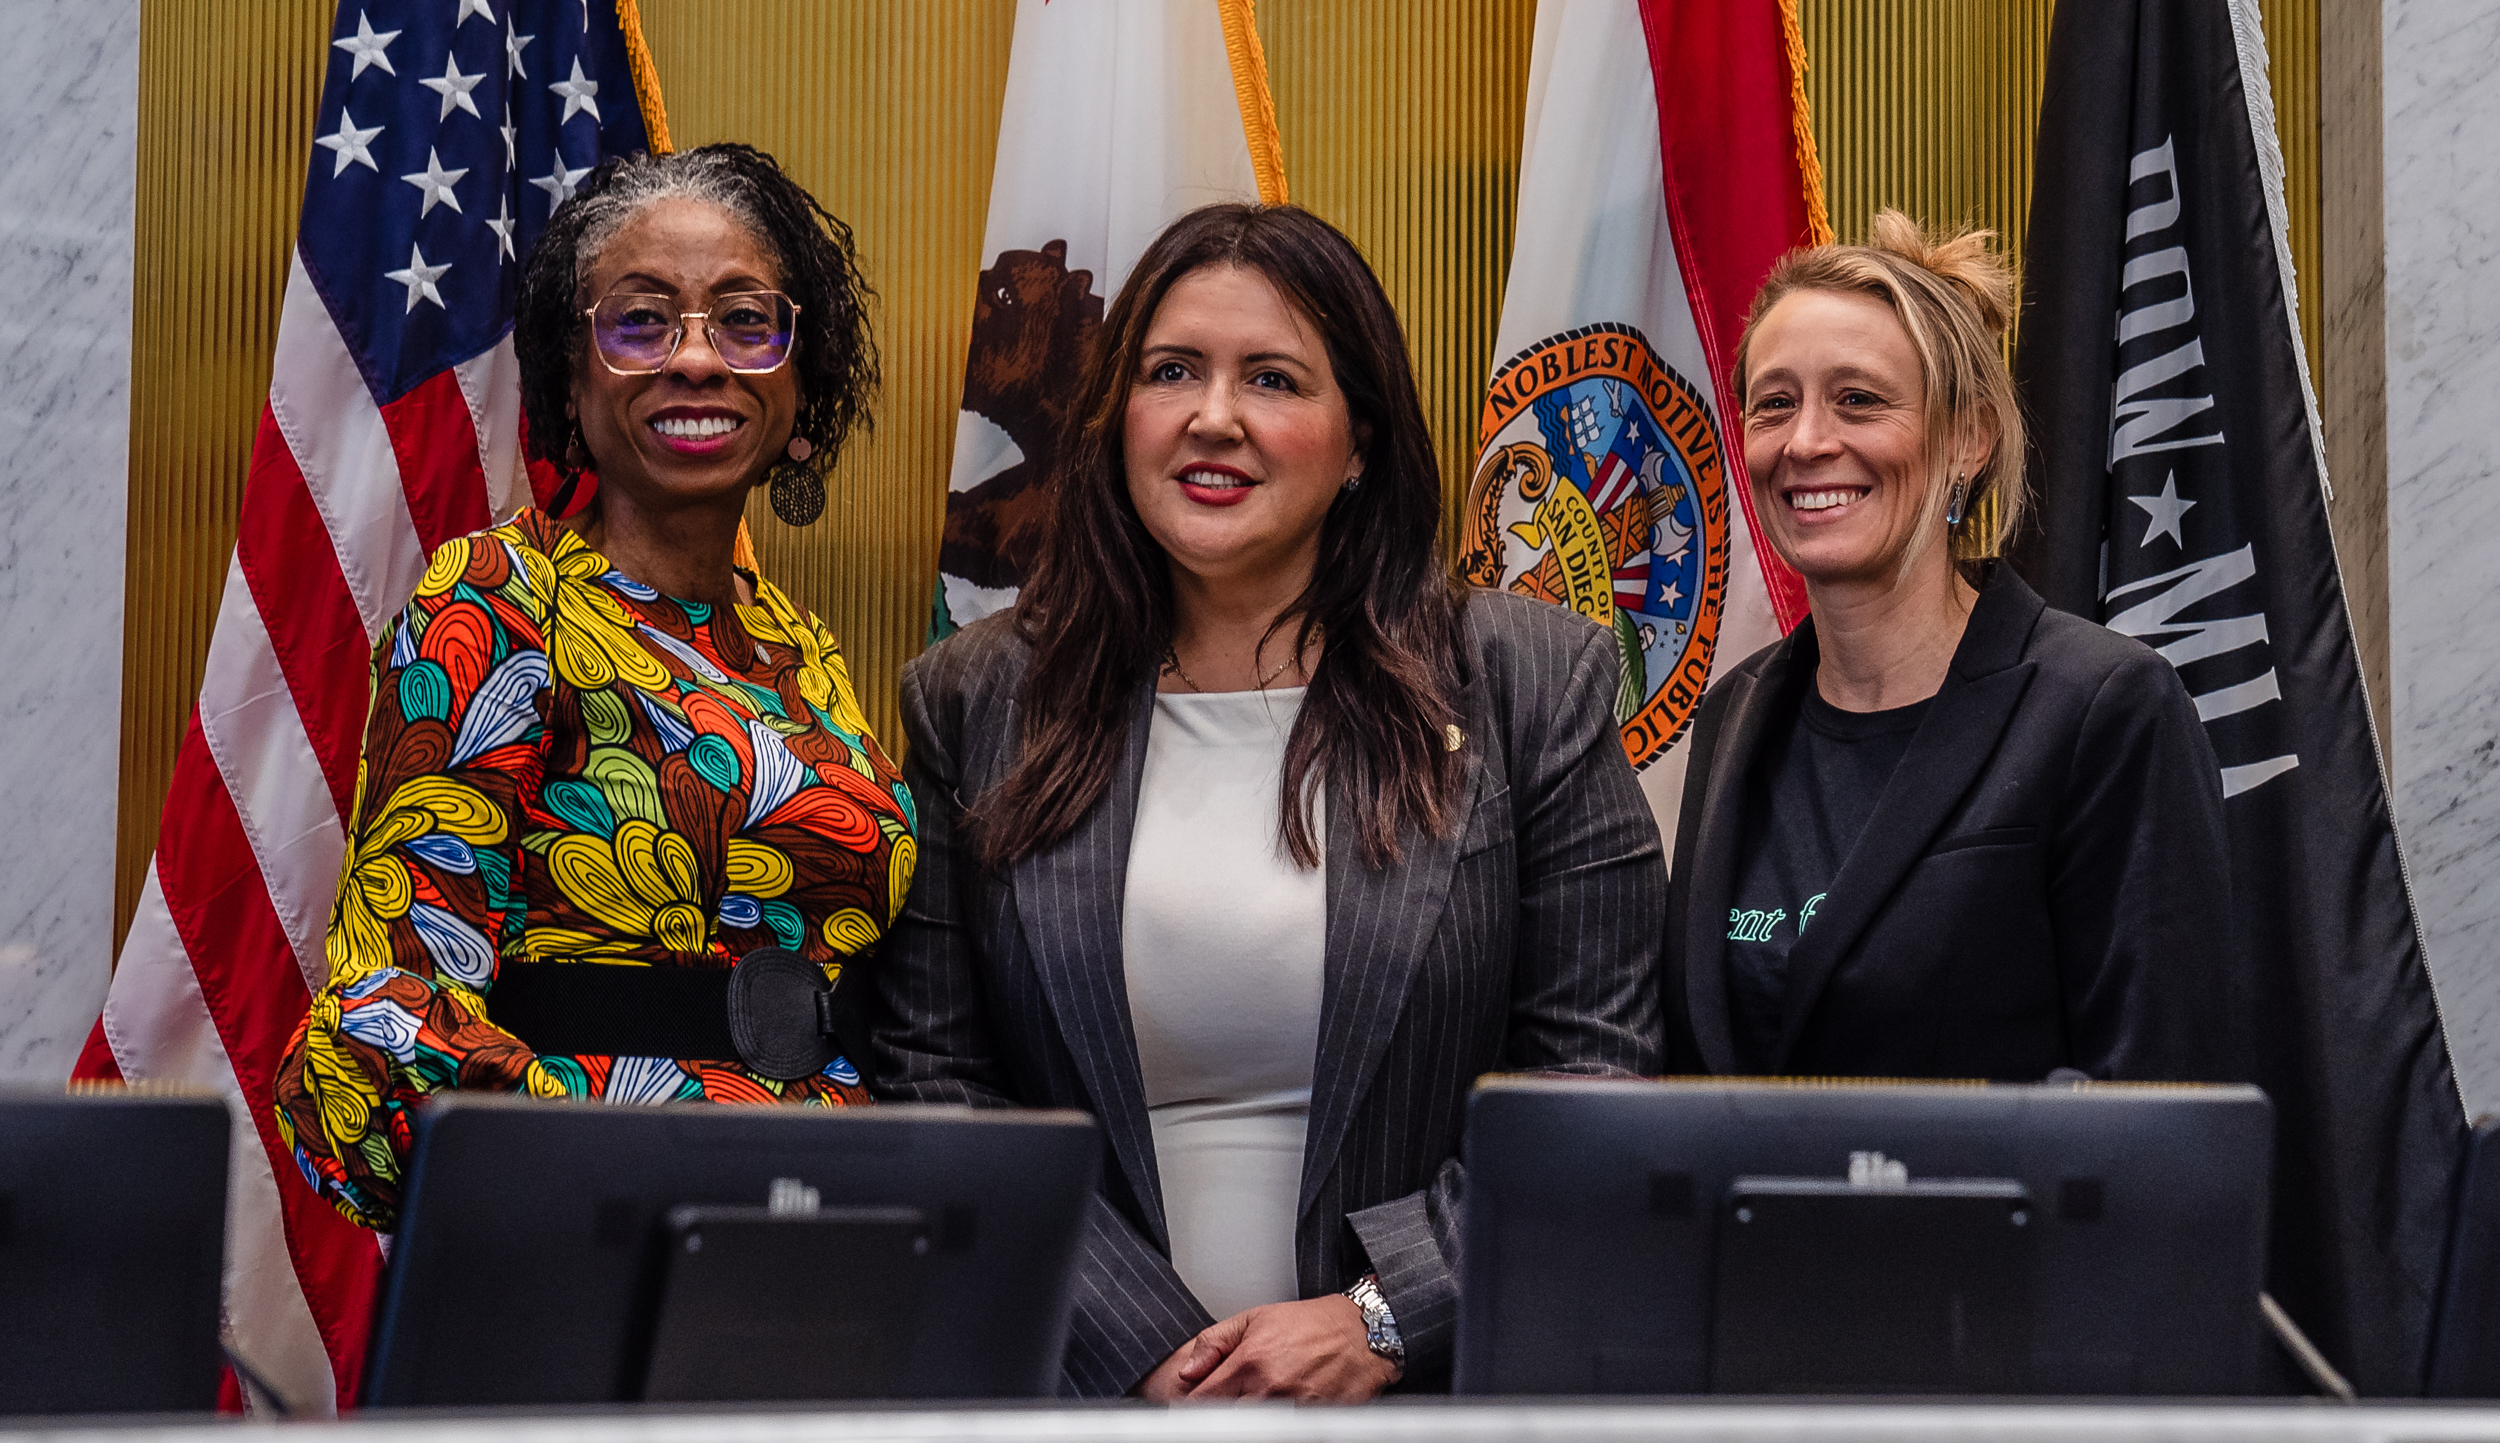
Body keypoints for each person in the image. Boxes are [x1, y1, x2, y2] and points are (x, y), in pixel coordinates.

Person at [872, 202, 1664, 1401]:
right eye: (1172, 370)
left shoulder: (1526, 684)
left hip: (1436, 1400)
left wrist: (1383, 1317)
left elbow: (1596, 1085)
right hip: (1079, 1396)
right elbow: (930, 1079)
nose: (1213, 416)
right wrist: (1146, 1349)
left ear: (1359, 442)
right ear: (1115, 418)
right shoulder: (974, 702)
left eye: (1275, 378)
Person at [273, 144, 914, 1231]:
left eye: (746, 321)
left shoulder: (802, 648)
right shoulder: (495, 599)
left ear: (801, 385)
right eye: (641, 320)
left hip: (827, 1211)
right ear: (574, 380)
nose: (697, 359)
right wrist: (580, 1153)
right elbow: (395, 994)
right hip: (585, 1209)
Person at [1665, 210, 2234, 1083]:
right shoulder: (1733, 716)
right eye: (1775, 403)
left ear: (1969, 439)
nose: (1808, 441)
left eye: (1858, 399)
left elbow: (2162, 1125)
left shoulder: (2106, 709)